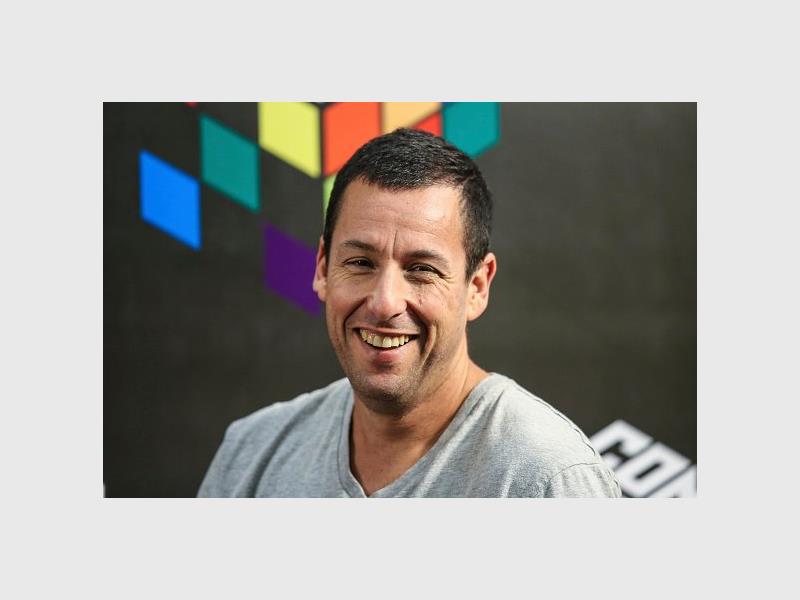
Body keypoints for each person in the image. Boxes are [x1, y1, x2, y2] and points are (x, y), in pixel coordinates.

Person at [197, 128, 621, 498]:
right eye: (360, 263)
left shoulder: (548, 478)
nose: (385, 303)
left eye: (422, 270)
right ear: (323, 268)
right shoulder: (252, 452)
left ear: (477, 286)